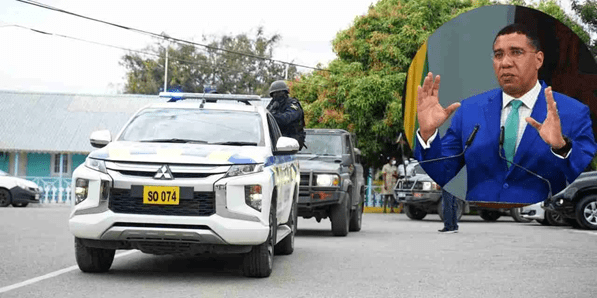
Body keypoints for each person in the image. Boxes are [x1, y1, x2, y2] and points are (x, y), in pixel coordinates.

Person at [414, 23, 597, 208]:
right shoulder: (469, 110)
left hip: (541, 223)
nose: (505, 63)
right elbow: (440, 173)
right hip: (485, 223)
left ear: (538, 60)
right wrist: (428, 134)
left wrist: (561, 147)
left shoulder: (573, 112)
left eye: (516, 52)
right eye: (498, 55)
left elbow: (586, 178)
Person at [266, 80, 306, 150]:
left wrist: (273, 116)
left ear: (285, 93)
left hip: (292, 142)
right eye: (274, 94)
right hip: (275, 141)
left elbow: (286, 119)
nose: (276, 96)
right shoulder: (273, 103)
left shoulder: (293, 104)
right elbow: (265, 115)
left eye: (279, 93)